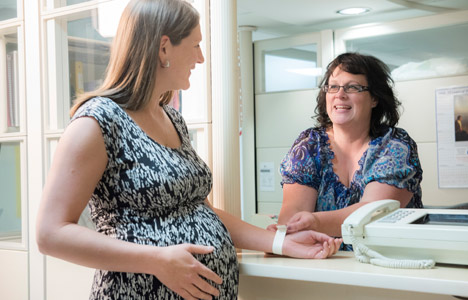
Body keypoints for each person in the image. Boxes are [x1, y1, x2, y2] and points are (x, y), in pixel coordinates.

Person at [36, 0, 342, 299]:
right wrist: (155, 260)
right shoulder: (97, 121)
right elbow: (51, 233)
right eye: (195, 45)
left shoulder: (171, 117)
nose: (201, 58)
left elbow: (200, 210)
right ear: (164, 47)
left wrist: (280, 242)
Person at [267, 53, 423, 250]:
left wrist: (314, 222)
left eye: (352, 87)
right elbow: (293, 217)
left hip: (392, 262)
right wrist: (292, 228)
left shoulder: (395, 145)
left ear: (374, 98)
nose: (340, 95)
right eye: (333, 87)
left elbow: (376, 212)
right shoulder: (309, 146)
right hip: (325, 262)